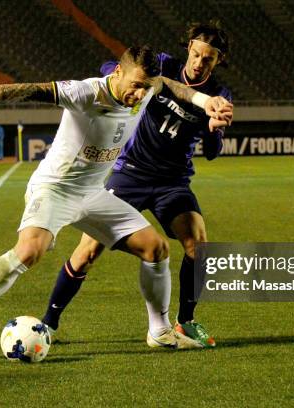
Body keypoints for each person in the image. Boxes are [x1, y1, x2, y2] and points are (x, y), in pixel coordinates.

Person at [0, 45, 233, 363]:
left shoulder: (148, 88)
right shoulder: (85, 92)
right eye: (135, 85)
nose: (139, 94)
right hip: (55, 189)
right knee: (29, 252)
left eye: (145, 87)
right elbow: (27, 90)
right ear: (117, 72)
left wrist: (204, 101)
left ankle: (159, 331)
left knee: (156, 249)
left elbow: (169, 85)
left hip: (93, 193)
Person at [40, 21, 232, 349]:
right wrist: (160, 82)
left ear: (218, 62)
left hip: (172, 180)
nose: (200, 63)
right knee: (87, 251)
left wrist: (215, 128)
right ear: (188, 48)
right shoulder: (163, 65)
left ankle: (185, 322)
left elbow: (213, 153)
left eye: (209, 59)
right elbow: (109, 70)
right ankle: (48, 323)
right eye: (197, 54)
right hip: (130, 172)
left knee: (198, 246)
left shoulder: (220, 95)